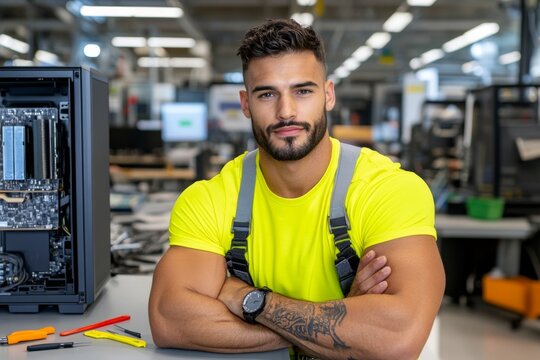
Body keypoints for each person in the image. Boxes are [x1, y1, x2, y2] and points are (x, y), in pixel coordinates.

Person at [149, 18, 445, 360]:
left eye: (302, 91)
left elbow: (396, 338)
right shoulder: (210, 199)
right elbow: (170, 319)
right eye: (267, 94)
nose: (286, 112)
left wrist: (249, 300)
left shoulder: (388, 191)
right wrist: (343, 317)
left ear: (328, 95)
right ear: (245, 104)